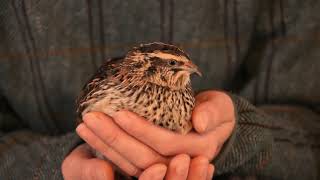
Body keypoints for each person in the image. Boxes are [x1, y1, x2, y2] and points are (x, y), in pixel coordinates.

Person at [0, 1, 319, 179]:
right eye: (174, 67)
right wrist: (55, 165)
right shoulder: (111, 87)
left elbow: (309, 130)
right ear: (148, 68)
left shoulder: (184, 100)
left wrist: (239, 138)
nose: (190, 73)